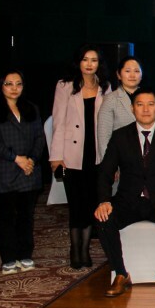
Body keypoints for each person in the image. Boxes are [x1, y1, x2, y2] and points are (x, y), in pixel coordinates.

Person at [94, 88, 155, 297]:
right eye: (140, 104)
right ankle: (121, 273)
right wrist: (104, 201)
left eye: (150, 104)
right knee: (103, 219)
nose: (145, 109)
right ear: (132, 108)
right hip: (128, 201)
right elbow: (105, 172)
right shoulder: (120, 136)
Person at [50, 44, 111, 269]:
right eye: (85, 59)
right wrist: (56, 157)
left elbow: (109, 125)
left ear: (99, 64)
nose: (89, 64)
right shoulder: (64, 86)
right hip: (71, 156)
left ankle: (85, 249)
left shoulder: (105, 87)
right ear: (78, 62)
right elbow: (58, 122)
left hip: (97, 156)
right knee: (76, 206)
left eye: (94, 60)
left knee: (91, 204)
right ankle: (75, 250)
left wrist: (111, 162)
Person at [0, 71, 45, 275]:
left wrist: (31, 160)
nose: (14, 88)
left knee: (26, 216)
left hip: (29, 171)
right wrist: (17, 158)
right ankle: (8, 257)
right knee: (7, 216)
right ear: (1, 86)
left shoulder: (31, 108)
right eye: (9, 84)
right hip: (4, 172)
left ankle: (25, 253)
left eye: (18, 84)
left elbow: (40, 138)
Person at [97, 56, 143, 162]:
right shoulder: (110, 99)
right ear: (118, 74)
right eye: (127, 71)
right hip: (121, 158)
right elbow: (103, 135)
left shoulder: (149, 97)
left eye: (136, 71)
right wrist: (109, 164)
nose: (132, 75)